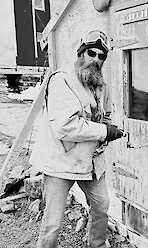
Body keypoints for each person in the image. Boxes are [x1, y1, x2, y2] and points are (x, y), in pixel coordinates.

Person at [29, 30, 123, 248]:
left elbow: (106, 116)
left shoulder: (102, 86)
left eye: (101, 56)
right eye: (92, 53)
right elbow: (65, 126)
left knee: (101, 205)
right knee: (53, 221)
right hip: (60, 162)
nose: (96, 59)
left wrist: (109, 130)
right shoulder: (63, 80)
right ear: (81, 53)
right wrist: (104, 132)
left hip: (90, 162)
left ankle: (97, 244)